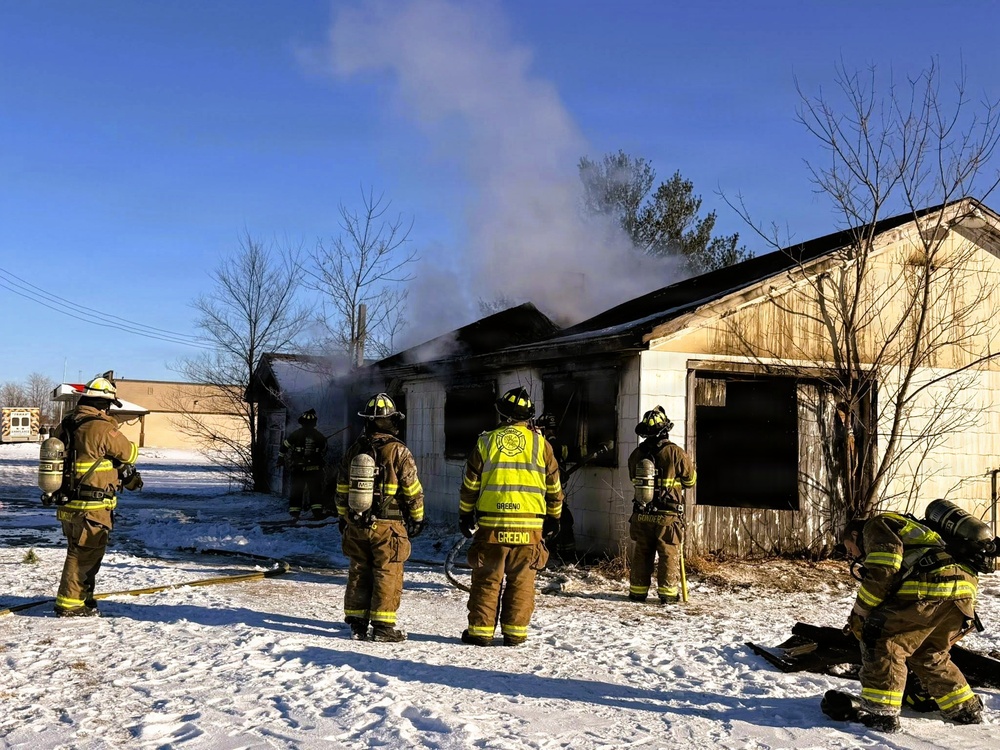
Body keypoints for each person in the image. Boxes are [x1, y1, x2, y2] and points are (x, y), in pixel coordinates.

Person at [821, 513, 983, 732]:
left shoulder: (875, 525)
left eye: (850, 548)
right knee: (929, 653)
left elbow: (884, 570)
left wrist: (860, 610)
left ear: (856, 534)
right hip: (963, 592)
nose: (852, 555)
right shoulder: (914, 531)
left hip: (929, 586)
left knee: (884, 642)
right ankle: (965, 708)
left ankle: (881, 713)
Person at [458, 387, 563, 647]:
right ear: (528, 417)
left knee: (487, 578)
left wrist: (465, 514)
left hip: (492, 526)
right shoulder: (542, 444)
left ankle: (480, 633)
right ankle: (515, 633)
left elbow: (470, 485)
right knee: (522, 581)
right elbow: (554, 486)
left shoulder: (486, 442)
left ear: (502, 413)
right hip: (530, 528)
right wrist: (554, 517)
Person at [335, 393, 424, 642]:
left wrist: (343, 516)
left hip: (356, 523)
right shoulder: (398, 451)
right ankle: (383, 627)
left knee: (359, 570)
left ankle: (357, 623)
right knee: (387, 572)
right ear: (391, 420)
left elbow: (341, 487)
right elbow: (412, 489)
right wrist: (417, 517)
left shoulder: (355, 449)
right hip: (388, 527)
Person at [52, 372, 141, 617]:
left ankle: (83, 597)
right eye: (108, 407)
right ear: (103, 404)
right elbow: (129, 453)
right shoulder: (101, 428)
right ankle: (70, 604)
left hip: (69, 503)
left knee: (81, 551)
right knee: (83, 555)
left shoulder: (66, 425)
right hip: (92, 506)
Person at [626, 406, 696, 604]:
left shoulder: (636, 454)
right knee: (668, 553)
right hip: (667, 516)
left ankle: (637, 592)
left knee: (642, 552)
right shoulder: (675, 453)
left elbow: (633, 479)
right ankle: (668, 594)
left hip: (642, 513)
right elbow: (690, 481)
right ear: (665, 430)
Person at [536, 413, 577, 564]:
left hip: (548, 492)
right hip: (546, 492)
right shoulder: (543, 445)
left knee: (561, 520)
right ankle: (558, 554)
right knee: (560, 520)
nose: (550, 433)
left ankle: (558, 554)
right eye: (549, 430)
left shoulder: (544, 445)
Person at [277, 408, 329, 520]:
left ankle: (295, 513)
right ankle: (317, 513)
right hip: (314, 470)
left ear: (301, 422)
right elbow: (324, 450)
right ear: (314, 423)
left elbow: (284, 446)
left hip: (298, 469)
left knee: (297, 491)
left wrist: (280, 458)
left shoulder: (296, 434)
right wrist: (323, 442)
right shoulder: (319, 435)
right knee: (315, 491)